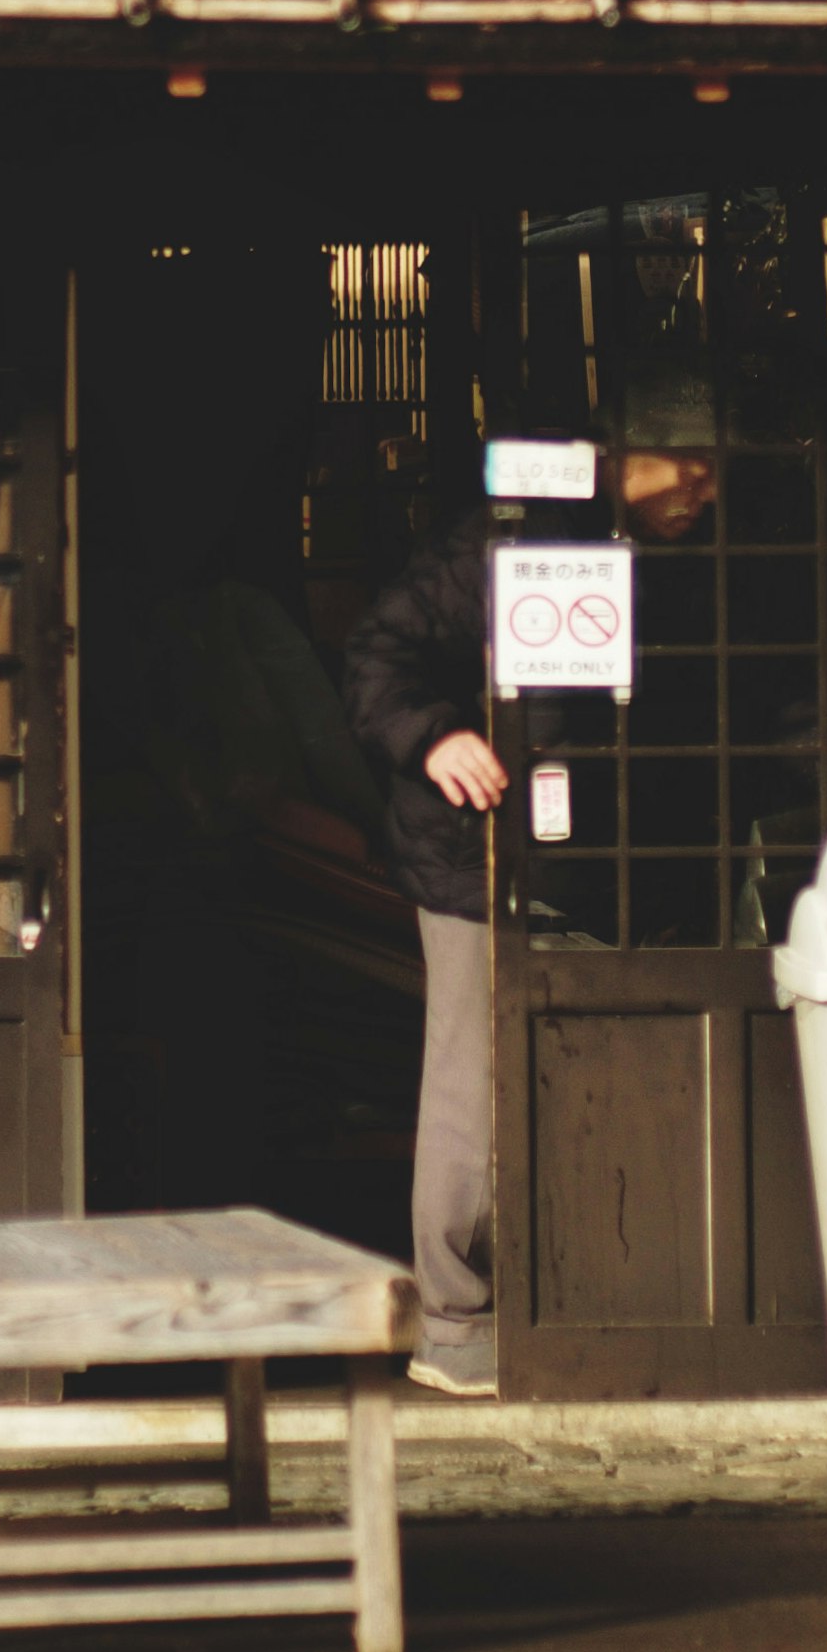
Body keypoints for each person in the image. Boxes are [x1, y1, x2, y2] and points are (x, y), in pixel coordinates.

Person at [341, 520, 504, 1394]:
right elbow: (375, 659)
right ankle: (457, 1322)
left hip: (610, 858)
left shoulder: (692, 558)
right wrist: (435, 736)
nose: (700, 483)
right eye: (684, 460)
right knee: (469, 1073)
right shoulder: (488, 551)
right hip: (471, 852)